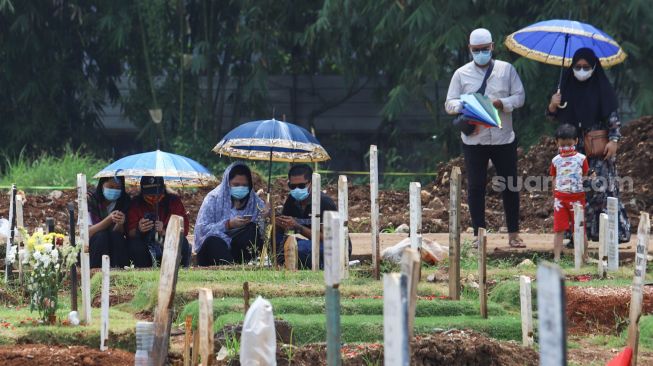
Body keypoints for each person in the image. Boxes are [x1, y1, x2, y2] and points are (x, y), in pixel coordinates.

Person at [445, 28, 526, 248]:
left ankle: (514, 233)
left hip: (503, 138)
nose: (481, 53)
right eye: (477, 50)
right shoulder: (461, 74)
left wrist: (501, 103)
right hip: (475, 140)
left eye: (485, 49)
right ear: (470, 49)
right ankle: (478, 235)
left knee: (509, 185)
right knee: (476, 187)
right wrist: (466, 104)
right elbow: (449, 103)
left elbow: (519, 97)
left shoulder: (506, 70)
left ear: (492, 47)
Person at [547, 47, 630, 244]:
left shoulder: (602, 88)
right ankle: (578, 232)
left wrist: (614, 140)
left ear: (594, 67)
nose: (582, 70)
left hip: (598, 148)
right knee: (576, 189)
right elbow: (552, 117)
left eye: (586, 67)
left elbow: (612, 117)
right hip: (574, 149)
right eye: (578, 67)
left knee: (602, 187)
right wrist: (552, 104)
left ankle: (610, 232)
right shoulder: (565, 88)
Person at [276, 164, 351, 269]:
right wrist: (277, 221)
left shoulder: (324, 202)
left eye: (301, 186)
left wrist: (298, 227)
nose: (297, 190)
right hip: (308, 242)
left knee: (300, 249)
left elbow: (328, 237)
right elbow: (285, 229)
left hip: (333, 246)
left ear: (311, 183)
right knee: (278, 241)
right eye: (292, 186)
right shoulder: (291, 200)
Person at [194, 162, 267, 266]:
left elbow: (263, 232)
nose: (240, 188)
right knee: (213, 241)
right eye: (236, 185)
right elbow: (202, 230)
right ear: (227, 183)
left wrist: (266, 215)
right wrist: (228, 224)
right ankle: (230, 267)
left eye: (245, 185)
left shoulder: (254, 201)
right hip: (214, 250)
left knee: (252, 230)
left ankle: (241, 265)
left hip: (238, 251)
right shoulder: (213, 199)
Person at [127, 176, 191, 267]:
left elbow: (184, 229)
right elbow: (129, 232)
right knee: (134, 245)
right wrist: (139, 229)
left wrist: (165, 231)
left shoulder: (174, 201)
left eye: (156, 194)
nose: (153, 197)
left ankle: (176, 269)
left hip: (166, 239)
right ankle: (143, 270)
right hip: (144, 241)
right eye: (149, 195)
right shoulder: (135, 203)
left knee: (182, 242)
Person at [550, 124, 589, 262]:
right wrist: (555, 193)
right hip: (560, 199)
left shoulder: (581, 159)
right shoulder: (555, 161)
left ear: (576, 141)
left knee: (579, 228)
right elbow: (554, 177)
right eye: (563, 145)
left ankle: (585, 256)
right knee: (559, 229)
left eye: (569, 144)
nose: (566, 147)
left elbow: (585, 174)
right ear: (557, 143)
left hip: (578, 199)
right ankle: (556, 257)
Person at [87, 176, 130, 268]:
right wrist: (109, 219)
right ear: (102, 185)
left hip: (114, 243)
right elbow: (88, 232)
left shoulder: (124, 201)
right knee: (101, 235)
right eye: (110, 187)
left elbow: (121, 232)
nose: (114, 190)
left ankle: (118, 270)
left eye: (118, 188)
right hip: (95, 244)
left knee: (116, 237)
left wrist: (120, 223)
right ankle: (95, 270)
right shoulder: (90, 199)